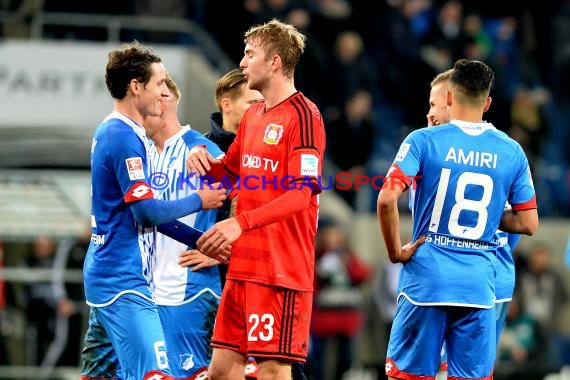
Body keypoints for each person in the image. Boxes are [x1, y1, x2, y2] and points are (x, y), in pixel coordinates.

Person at [377, 59, 538, 380]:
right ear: (488, 103)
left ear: (450, 97)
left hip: (427, 281)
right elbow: (528, 224)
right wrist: (490, 218)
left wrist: (396, 252)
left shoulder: (423, 140)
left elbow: (386, 198)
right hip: (479, 286)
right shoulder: (511, 151)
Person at [186, 19, 326, 380]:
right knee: (220, 371)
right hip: (242, 267)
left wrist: (239, 222)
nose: (243, 63)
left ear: (275, 62)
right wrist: (203, 163)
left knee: (272, 371)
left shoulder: (304, 116)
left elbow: (300, 195)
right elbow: (228, 174)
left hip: (280, 269)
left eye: (250, 54)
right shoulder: (252, 116)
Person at [81, 41, 226, 380]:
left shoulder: (122, 133)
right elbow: (146, 214)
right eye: (159, 83)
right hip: (124, 279)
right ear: (136, 87)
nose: (165, 91)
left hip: (112, 274)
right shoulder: (123, 136)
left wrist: (205, 242)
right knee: (156, 373)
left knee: (101, 376)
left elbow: (144, 216)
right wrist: (199, 200)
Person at [427, 68, 523, 373]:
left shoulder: (433, 149)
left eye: (435, 104)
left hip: (459, 279)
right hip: (486, 278)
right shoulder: (504, 151)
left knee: (447, 369)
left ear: (453, 101)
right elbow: (523, 223)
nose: (431, 112)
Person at [144, 71, 227, 378]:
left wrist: (219, 249)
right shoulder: (144, 153)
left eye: (160, 97)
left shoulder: (199, 149)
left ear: (169, 101)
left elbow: (247, 197)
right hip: (148, 292)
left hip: (188, 291)